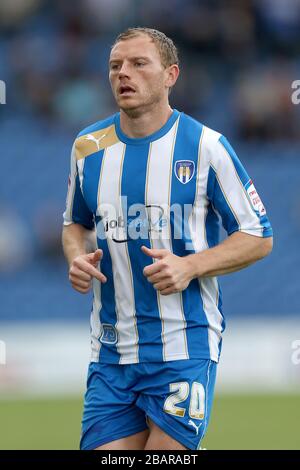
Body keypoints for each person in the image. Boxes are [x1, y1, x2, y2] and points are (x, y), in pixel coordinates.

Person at [62, 27, 273, 451]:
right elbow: (74, 223)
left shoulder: (206, 147)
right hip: (111, 352)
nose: (124, 73)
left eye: (139, 63)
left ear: (170, 74)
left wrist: (190, 266)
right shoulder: (88, 148)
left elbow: (258, 235)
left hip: (184, 343)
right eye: (116, 65)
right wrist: (76, 256)